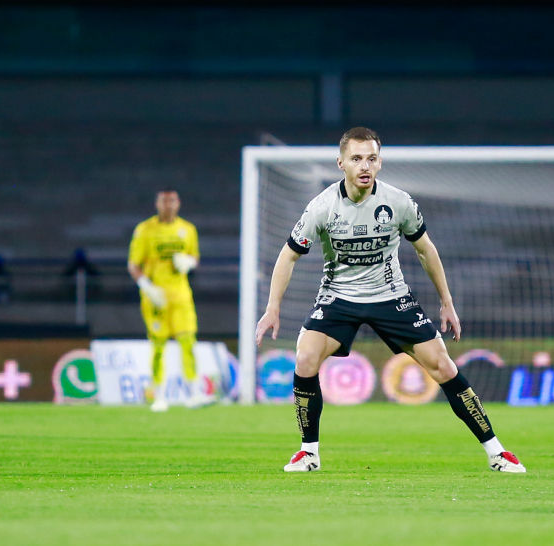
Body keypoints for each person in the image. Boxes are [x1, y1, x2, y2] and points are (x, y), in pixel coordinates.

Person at [255, 126, 526, 475]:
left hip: (391, 296)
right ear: (341, 163)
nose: (364, 165)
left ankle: (497, 452)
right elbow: (288, 255)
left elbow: (426, 250)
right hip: (339, 297)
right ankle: (308, 453)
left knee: (443, 366)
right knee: (305, 357)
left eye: (371, 158)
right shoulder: (322, 207)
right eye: (356, 159)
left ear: (379, 162)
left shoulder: (398, 202)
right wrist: (272, 308)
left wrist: (447, 302)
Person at [128, 189, 204, 412]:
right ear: (157, 203)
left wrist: (189, 263)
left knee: (188, 341)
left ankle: (194, 393)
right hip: (156, 298)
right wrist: (147, 287)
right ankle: (158, 395)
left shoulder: (187, 229)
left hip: (181, 295)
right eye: (164, 201)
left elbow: (195, 257)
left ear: (178, 203)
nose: (168, 205)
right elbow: (134, 264)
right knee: (158, 345)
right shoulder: (145, 230)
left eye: (172, 200)